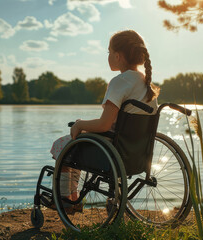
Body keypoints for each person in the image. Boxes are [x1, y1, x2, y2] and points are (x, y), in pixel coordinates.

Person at [49, 30, 160, 211]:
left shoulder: (120, 82)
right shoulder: (146, 84)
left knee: (62, 145)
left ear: (117, 56)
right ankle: (74, 197)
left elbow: (104, 125)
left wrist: (80, 124)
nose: (108, 56)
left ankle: (65, 199)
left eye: (108, 52)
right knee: (76, 144)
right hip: (135, 154)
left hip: (112, 151)